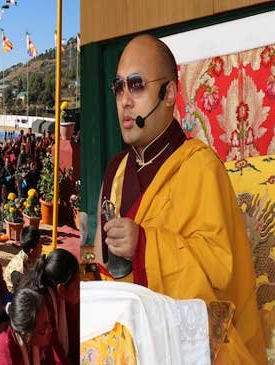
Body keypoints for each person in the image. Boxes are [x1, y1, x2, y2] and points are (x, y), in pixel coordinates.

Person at [93, 34, 266, 363]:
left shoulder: (200, 166)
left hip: (199, 349)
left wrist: (143, 245)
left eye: (137, 85)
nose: (125, 100)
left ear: (169, 93)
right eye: (119, 87)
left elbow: (220, 276)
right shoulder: (116, 170)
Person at [20, 249, 80, 364]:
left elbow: (73, 332)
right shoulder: (42, 307)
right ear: (61, 289)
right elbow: (53, 348)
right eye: (77, 286)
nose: (80, 290)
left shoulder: (64, 297)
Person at [0, 288, 53, 365]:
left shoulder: (33, 342)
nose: (50, 329)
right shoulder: (4, 348)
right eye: (44, 329)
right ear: (26, 333)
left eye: (49, 322)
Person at [3, 226, 42, 293]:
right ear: (32, 251)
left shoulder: (32, 255)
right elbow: (22, 294)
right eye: (40, 244)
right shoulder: (19, 270)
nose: (42, 246)